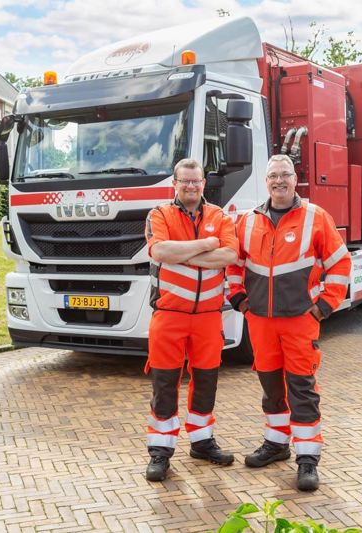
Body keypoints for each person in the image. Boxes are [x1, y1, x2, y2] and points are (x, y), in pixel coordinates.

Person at [226, 154, 352, 491]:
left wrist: (325, 306)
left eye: (285, 175)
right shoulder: (249, 221)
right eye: (273, 176)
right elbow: (235, 265)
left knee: (302, 391)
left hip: (300, 320)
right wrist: (239, 299)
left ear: (295, 179)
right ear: (265, 182)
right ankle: (276, 444)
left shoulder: (316, 217)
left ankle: (308, 459)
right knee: (271, 389)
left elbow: (340, 263)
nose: (279, 181)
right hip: (261, 323)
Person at [143, 158, 239, 482]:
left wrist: (184, 252)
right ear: (175, 183)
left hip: (209, 317)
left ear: (204, 184)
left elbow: (230, 255)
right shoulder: (159, 214)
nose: (190, 186)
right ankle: (160, 452)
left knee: (206, 383)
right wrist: (207, 245)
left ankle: (201, 442)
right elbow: (160, 252)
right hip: (169, 315)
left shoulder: (219, 216)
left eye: (195, 181)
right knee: (165, 385)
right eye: (184, 181)